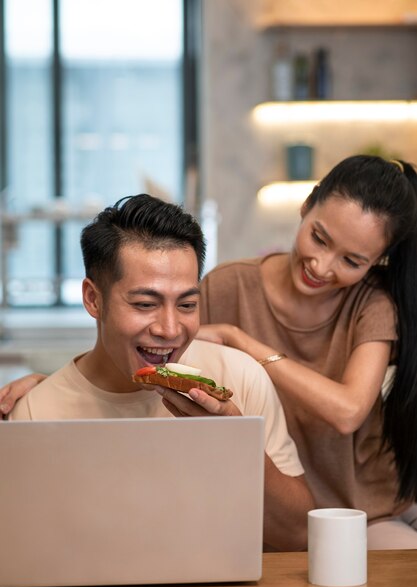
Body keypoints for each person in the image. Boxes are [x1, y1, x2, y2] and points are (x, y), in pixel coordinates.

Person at [4, 193, 314, 551]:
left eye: (187, 304)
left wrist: (235, 442)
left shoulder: (239, 377)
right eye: (145, 304)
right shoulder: (34, 412)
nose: (169, 329)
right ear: (93, 299)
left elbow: (299, 537)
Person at [197, 155, 417, 549]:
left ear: (376, 262)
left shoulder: (373, 306)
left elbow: (348, 411)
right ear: (306, 206)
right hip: (259, 514)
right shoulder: (225, 287)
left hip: (359, 515)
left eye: (352, 261)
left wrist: (241, 341)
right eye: (319, 237)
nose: (321, 265)